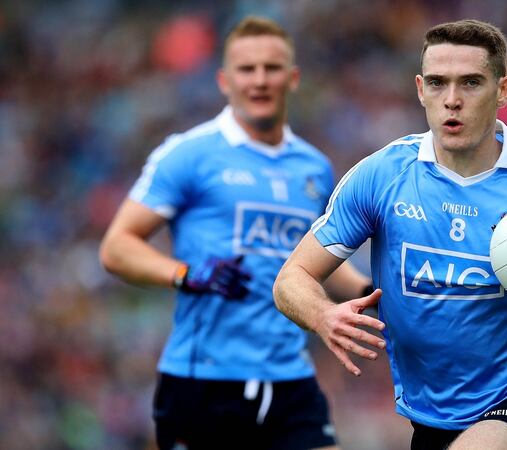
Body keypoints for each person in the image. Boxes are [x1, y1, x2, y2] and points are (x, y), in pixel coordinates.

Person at [273, 19, 507, 450]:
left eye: (470, 83)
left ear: (503, 90)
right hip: (429, 421)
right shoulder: (381, 177)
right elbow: (291, 279)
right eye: (438, 83)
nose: (452, 100)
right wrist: (322, 315)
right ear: (420, 89)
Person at [99, 16, 371, 450]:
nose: (259, 80)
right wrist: (188, 274)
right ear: (225, 80)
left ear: (293, 77)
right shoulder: (188, 154)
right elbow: (116, 247)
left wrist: (366, 288)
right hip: (204, 381)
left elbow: (310, 255)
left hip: (289, 378)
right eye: (247, 69)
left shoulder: (314, 167)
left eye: (272, 67)